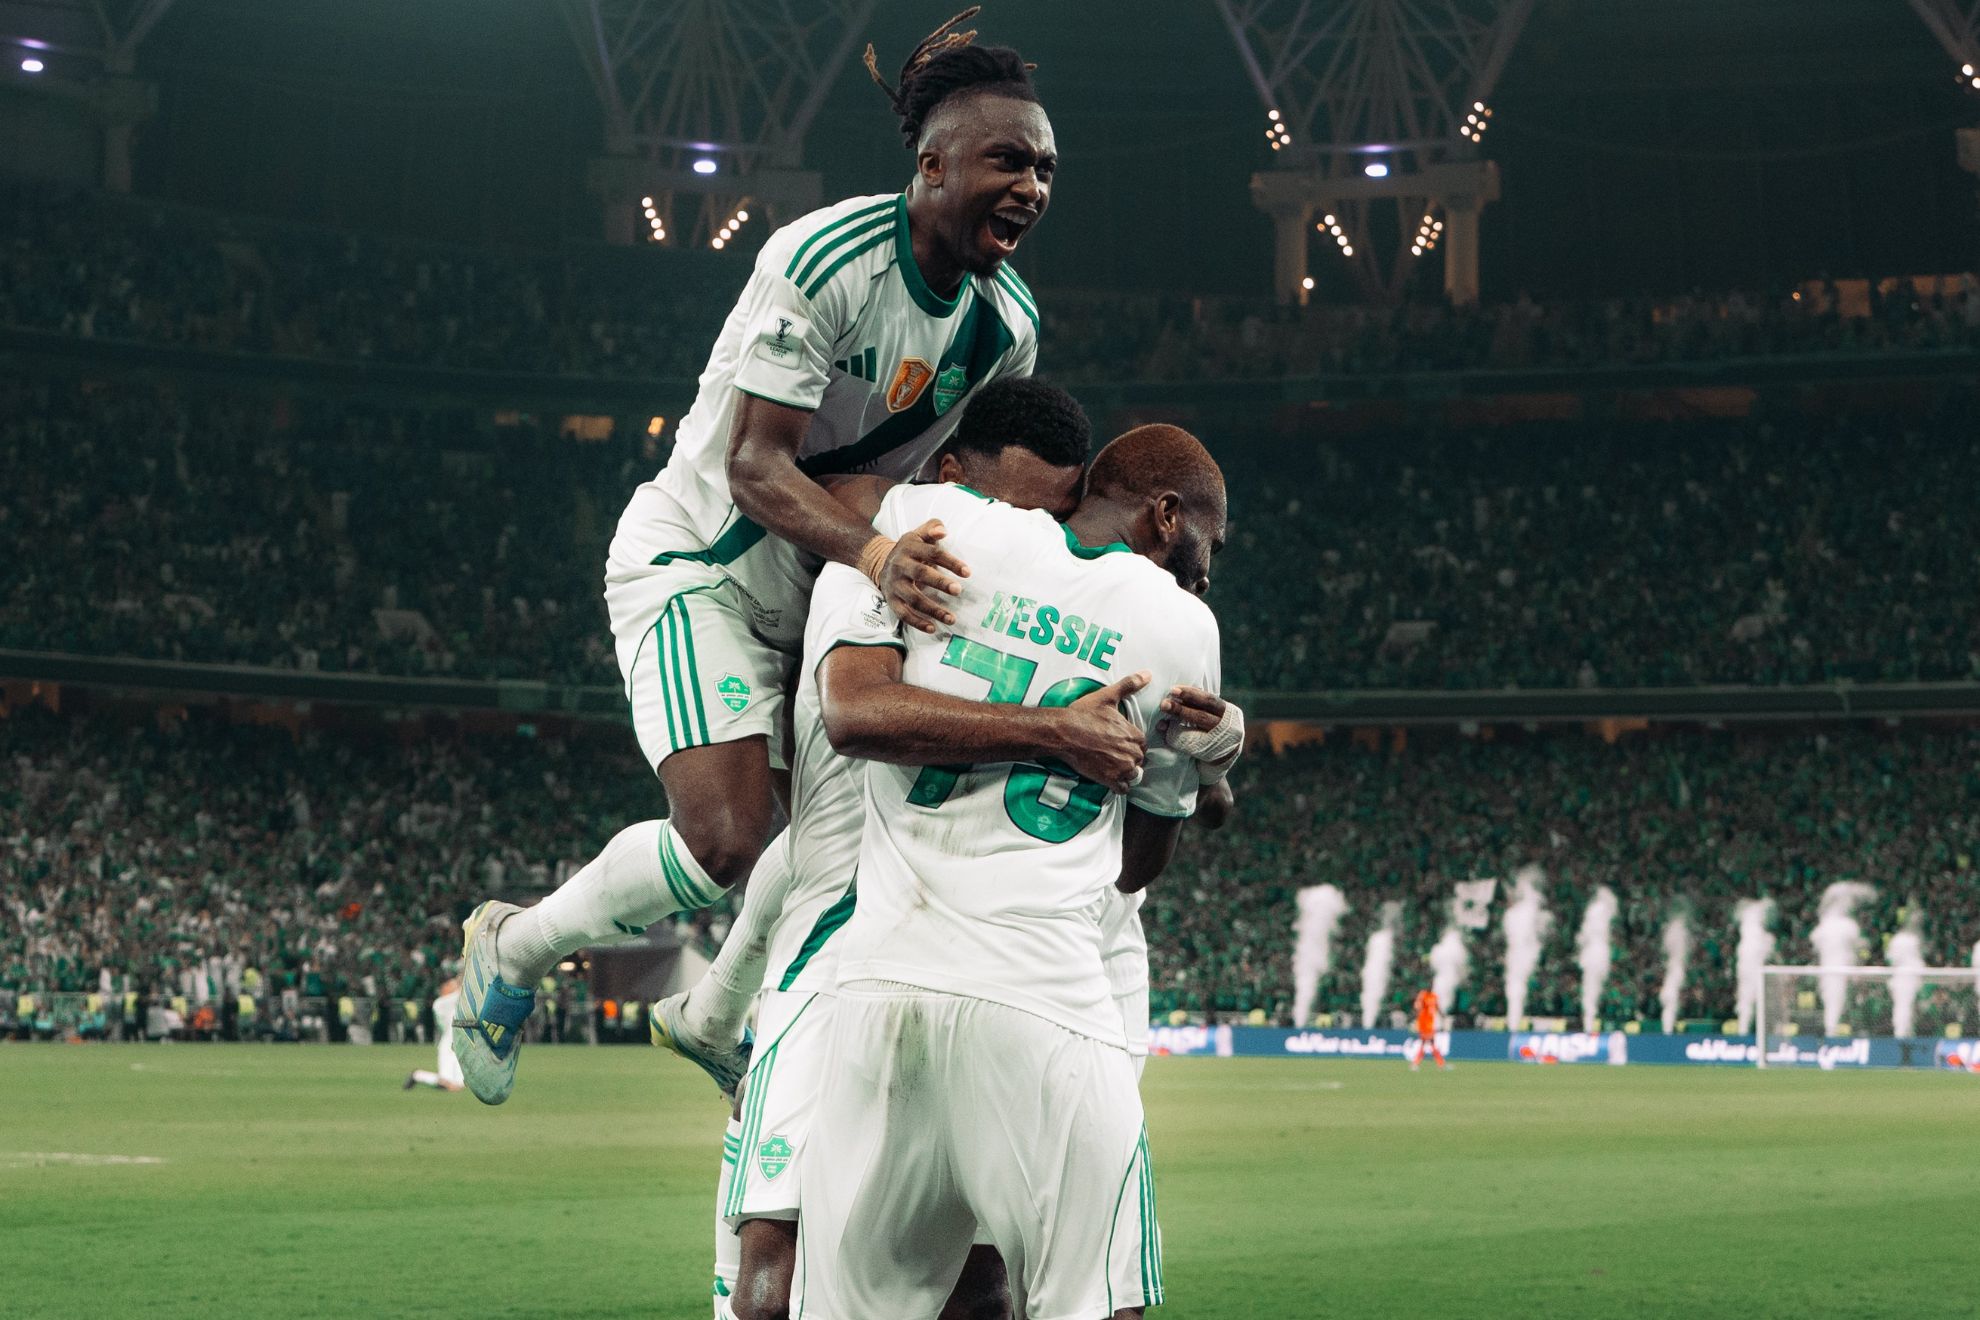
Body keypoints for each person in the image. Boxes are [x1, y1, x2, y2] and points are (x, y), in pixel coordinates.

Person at [452, 6, 1057, 1106]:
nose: (1033, 186)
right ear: (932, 164)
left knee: (836, 834)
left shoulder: (1005, 326)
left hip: (824, 591)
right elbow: (755, 468)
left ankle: (718, 1016)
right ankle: (518, 946)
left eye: (1047, 169)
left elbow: (959, 489)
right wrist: (877, 555)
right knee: (728, 835)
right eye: (1009, 159)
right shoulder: (824, 257)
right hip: (707, 563)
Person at [797, 424, 1228, 1319]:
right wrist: (1199, 770)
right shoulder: (1183, 627)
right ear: (1166, 514)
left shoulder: (937, 524)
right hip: (1045, 1005)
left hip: (878, 997)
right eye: (1209, 544)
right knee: (1092, 1302)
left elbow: (853, 701)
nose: (1209, 568)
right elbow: (1136, 868)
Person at [697, 377, 1091, 1320]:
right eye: (1000, 507)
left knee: (981, 1276)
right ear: (947, 474)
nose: (1015, 539)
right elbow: (854, 714)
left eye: (1046, 523)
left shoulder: (1047, 612)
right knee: (773, 1276)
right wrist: (1055, 728)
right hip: (833, 952)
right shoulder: (873, 570)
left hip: (964, 969)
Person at [406, 977, 465, 1092]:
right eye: (449, 985)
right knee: (450, 1084)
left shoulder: (454, 1004)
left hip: (458, 1045)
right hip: (448, 1046)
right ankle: (417, 1075)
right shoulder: (440, 1004)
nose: (453, 986)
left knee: (459, 1085)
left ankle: (418, 1075)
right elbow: (461, 993)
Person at [1411, 987, 1447, 1071]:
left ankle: (1416, 1063)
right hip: (1423, 1024)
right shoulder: (1423, 995)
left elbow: (1437, 1007)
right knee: (1430, 1043)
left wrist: (1443, 1016)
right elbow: (1417, 1007)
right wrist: (1416, 1020)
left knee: (1427, 1044)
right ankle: (1440, 1063)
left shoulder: (1434, 996)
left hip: (1430, 1024)